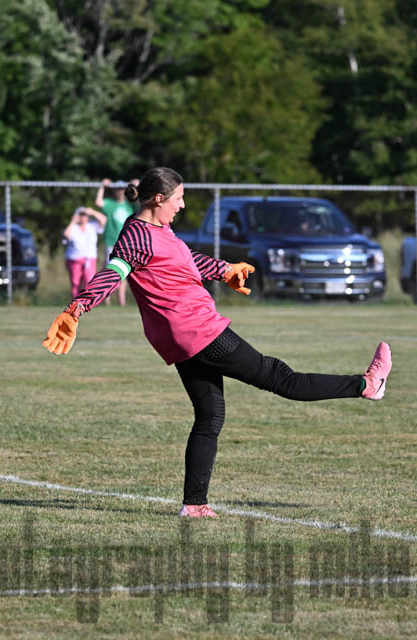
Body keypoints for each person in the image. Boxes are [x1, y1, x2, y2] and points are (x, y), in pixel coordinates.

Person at [43, 167, 391, 518]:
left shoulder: (160, 230)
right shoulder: (136, 236)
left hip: (182, 339)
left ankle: (194, 505)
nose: (182, 205)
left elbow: (187, 261)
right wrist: (77, 307)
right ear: (158, 199)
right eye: (178, 198)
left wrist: (224, 270)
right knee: (280, 377)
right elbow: (113, 271)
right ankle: (366, 384)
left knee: (209, 416)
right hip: (199, 331)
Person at [95, 178, 137, 305]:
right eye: (117, 189)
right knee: (109, 272)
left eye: (122, 189)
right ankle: (107, 301)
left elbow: (141, 200)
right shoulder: (110, 204)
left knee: (123, 272)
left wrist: (136, 186)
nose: (119, 192)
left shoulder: (130, 205)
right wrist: (102, 186)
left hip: (125, 243)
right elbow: (98, 202)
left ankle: (121, 301)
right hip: (111, 241)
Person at [62, 206, 106, 297]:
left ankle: (85, 302)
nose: (83, 217)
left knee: (89, 281)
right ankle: (75, 303)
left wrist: (93, 212)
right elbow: (66, 234)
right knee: (75, 282)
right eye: (80, 215)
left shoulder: (92, 225)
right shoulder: (73, 227)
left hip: (89, 258)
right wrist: (73, 221)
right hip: (74, 259)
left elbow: (104, 220)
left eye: (84, 215)